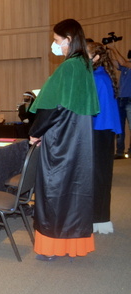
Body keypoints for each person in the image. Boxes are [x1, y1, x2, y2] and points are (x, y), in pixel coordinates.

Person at [28, 18, 99, 261]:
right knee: (74, 191)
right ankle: (72, 244)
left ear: (68, 40)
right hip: (79, 139)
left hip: (61, 138)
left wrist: (36, 132)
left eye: (57, 40)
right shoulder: (84, 66)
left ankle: (51, 247)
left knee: (54, 191)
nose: (54, 44)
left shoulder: (68, 67)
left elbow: (52, 106)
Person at [87, 41, 122, 234]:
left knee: (97, 177)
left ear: (96, 58)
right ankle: (99, 218)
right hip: (103, 130)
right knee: (100, 176)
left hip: (99, 130)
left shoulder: (96, 78)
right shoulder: (101, 75)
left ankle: (97, 218)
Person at [109, 43, 131, 158]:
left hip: (130, 99)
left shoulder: (127, 64)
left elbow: (122, 62)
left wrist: (114, 48)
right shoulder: (126, 66)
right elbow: (115, 62)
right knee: (119, 127)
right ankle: (120, 151)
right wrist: (108, 52)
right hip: (121, 99)